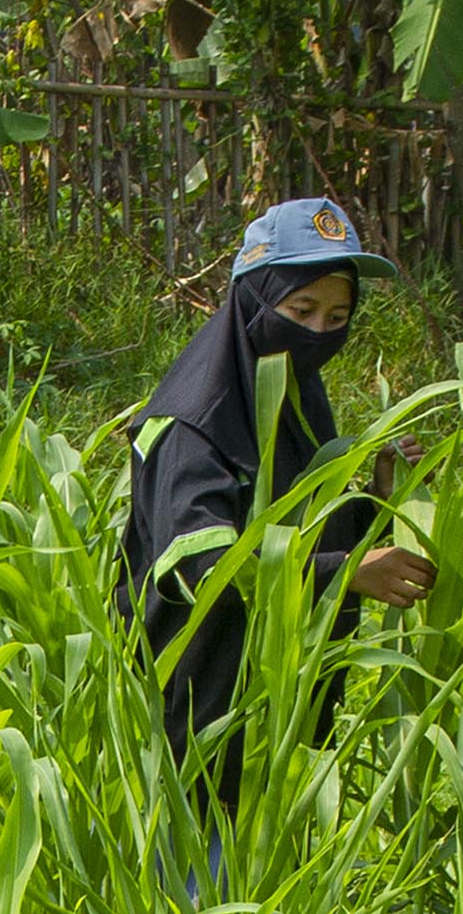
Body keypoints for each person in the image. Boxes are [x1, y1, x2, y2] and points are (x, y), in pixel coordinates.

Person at [119, 196, 439, 821]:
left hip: (271, 706)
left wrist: (373, 493)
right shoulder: (194, 419)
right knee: (201, 894)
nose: (319, 332)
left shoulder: (291, 393)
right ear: (253, 299)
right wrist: (344, 572)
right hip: (200, 713)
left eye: (337, 315)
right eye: (301, 310)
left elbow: (299, 521)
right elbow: (200, 568)